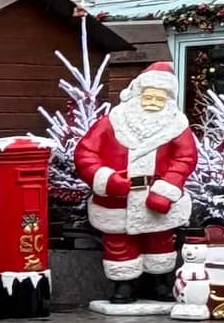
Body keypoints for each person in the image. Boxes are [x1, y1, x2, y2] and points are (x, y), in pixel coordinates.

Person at [74, 60, 199, 305]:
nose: (152, 104)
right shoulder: (111, 123)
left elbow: (185, 157)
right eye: (148, 98)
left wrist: (169, 187)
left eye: (159, 99)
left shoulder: (176, 126)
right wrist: (106, 179)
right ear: (137, 95)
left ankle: (160, 282)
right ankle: (122, 285)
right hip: (118, 195)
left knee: (161, 239)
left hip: (157, 193)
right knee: (119, 240)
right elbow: (85, 154)